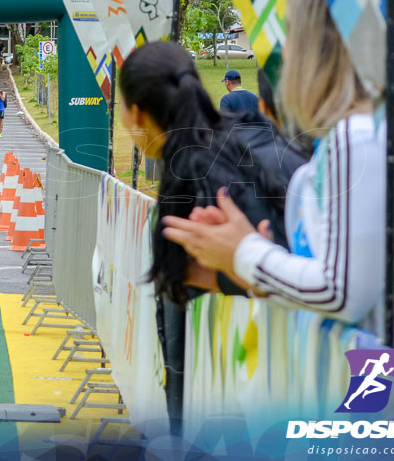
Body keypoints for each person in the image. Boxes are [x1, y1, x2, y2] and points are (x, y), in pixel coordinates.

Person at [160, 0, 394, 365]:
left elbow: (340, 292)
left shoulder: (360, 137)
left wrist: (245, 252)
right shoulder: (363, 133)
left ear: (313, 45)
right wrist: (245, 256)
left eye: (289, 32)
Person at [117, 41, 302, 303]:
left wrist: (224, 274)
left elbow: (193, 272)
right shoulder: (246, 132)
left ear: (136, 113)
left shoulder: (200, 176)